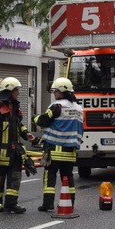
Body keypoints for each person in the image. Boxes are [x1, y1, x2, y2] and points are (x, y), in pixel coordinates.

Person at [33, 77, 84, 212]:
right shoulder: (79, 109)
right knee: (68, 177)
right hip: (70, 150)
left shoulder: (57, 106)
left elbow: (43, 121)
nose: (54, 94)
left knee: (49, 177)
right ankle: (70, 202)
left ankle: (48, 204)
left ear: (61, 91)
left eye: (55, 91)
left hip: (54, 149)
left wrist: (35, 117)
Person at [0, 77, 34, 214]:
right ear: (8, 91)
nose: (18, 92)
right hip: (0, 152)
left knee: (15, 179)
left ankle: (11, 204)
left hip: (14, 151)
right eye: (16, 90)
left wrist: (27, 134)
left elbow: (18, 124)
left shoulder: (14, 107)